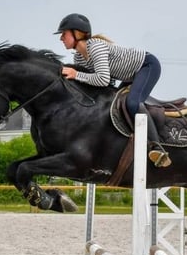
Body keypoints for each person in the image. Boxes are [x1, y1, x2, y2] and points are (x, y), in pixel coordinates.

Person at [54, 13, 171, 168]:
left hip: (146, 66)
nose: (61, 38)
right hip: (129, 75)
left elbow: (101, 79)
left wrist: (76, 74)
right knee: (112, 105)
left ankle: (157, 147)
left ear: (77, 33)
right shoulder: (79, 58)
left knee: (132, 102)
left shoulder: (95, 46)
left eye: (64, 34)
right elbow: (102, 83)